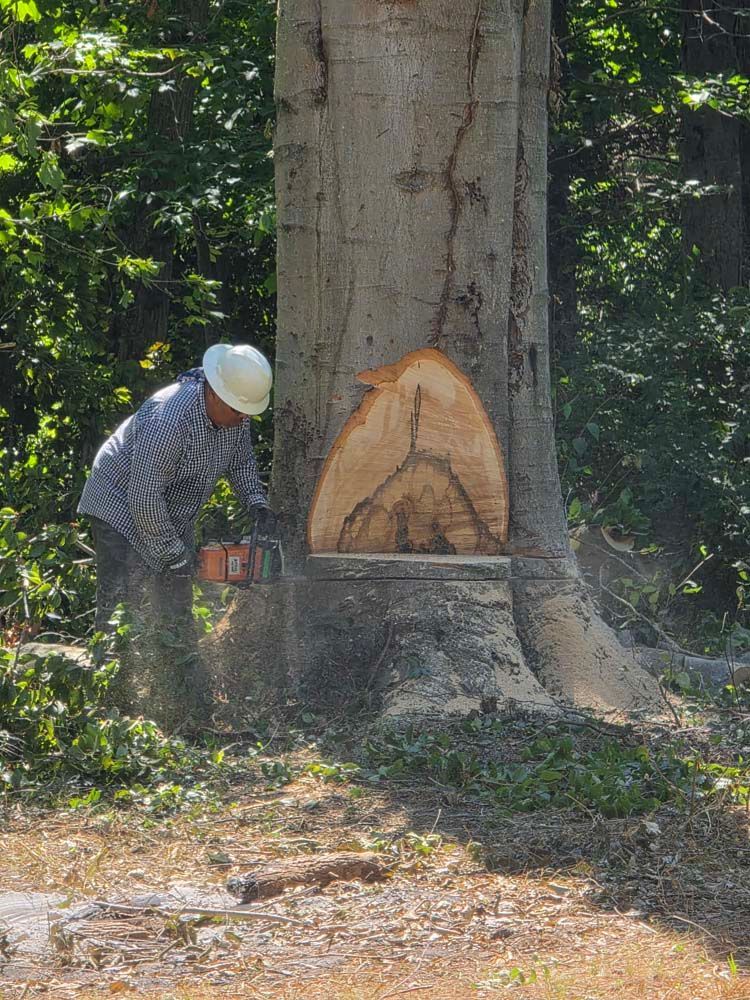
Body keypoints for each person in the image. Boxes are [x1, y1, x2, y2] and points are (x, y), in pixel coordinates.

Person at [78, 343, 276, 727]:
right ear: (216, 392)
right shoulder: (170, 417)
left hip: (171, 511)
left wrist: (257, 502)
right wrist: (175, 556)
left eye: (246, 413)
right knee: (123, 604)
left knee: (174, 605)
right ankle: (110, 712)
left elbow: (241, 462)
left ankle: (179, 703)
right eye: (237, 411)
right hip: (120, 504)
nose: (242, 418)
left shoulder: (237, 412)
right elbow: (144, 496)